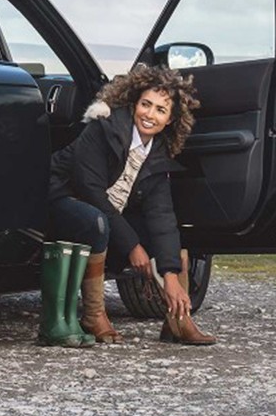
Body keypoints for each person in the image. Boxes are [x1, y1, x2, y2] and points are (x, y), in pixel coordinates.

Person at [35, 64, 216, 346]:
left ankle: (179, 322)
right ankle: (93, 315)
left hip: (105, 217)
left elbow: (161, 214)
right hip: (60, 201)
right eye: (146, 104)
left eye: (160, 110)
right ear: (134, 104)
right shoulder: (103, 128)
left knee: (168, 241)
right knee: (97, 221)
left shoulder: (157, 153)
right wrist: (133, 246)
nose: (150, 114)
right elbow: (91, 192)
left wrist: (169, 274)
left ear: (170, 119)